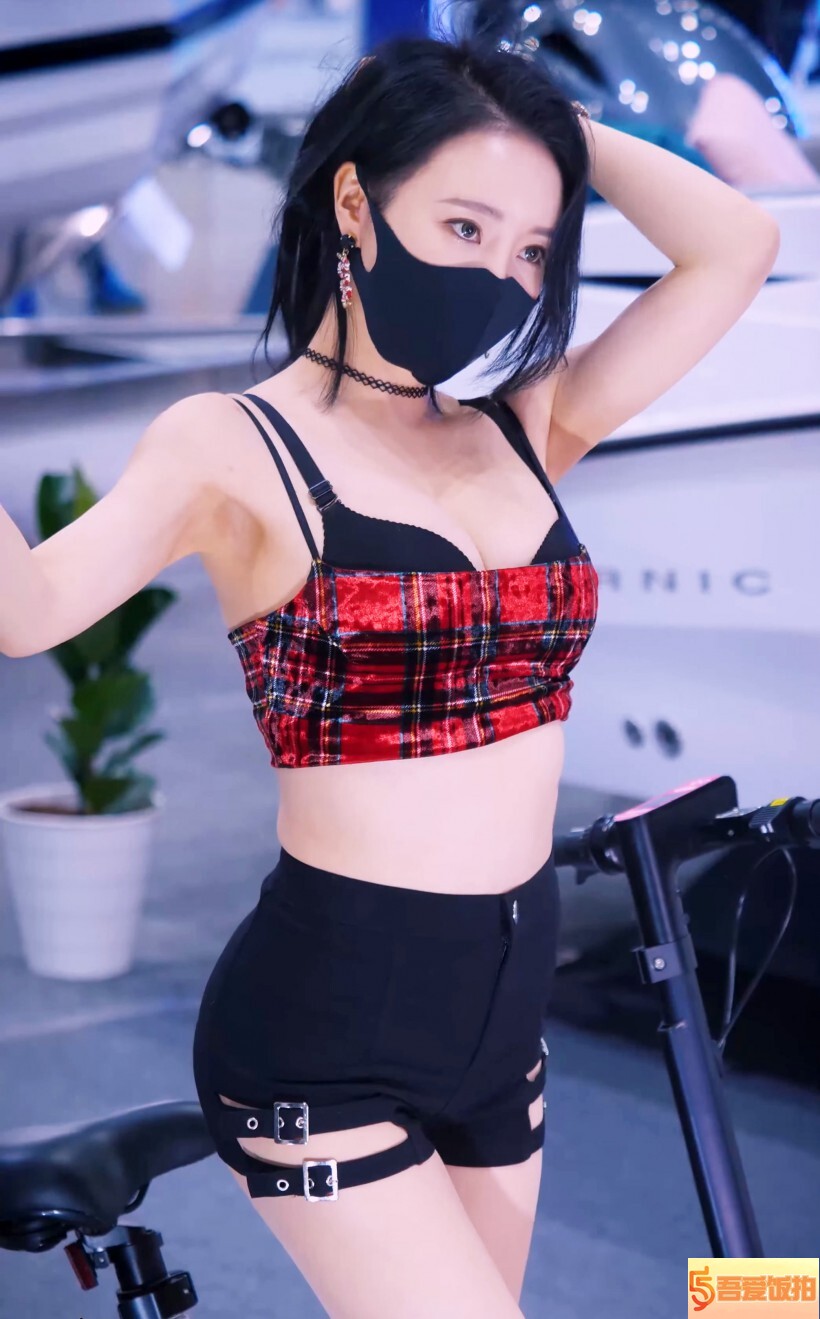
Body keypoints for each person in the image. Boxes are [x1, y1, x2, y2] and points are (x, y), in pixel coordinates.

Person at [0, 26, 780, 1319]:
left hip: (506, 1018)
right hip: (330, 1021)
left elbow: (735, 247)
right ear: (355, 204)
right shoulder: (231, 443)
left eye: (529, 250)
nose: (501, 274)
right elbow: (27, 614)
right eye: (464, 226)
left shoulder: (523, 423)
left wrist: (548, 130)